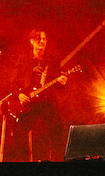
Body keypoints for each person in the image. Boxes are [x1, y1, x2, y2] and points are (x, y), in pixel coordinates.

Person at [8, 29, 68, 161]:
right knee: (18, 135)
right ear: (31, 41)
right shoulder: (24, 59)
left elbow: (57, 84)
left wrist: (62, 83)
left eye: (44, 39)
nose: (42, 41)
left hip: (47, 102)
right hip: (29, 103)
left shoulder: (53, 60)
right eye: (38, 39)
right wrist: (19, 95)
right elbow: (13, 82)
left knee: (57, 133)